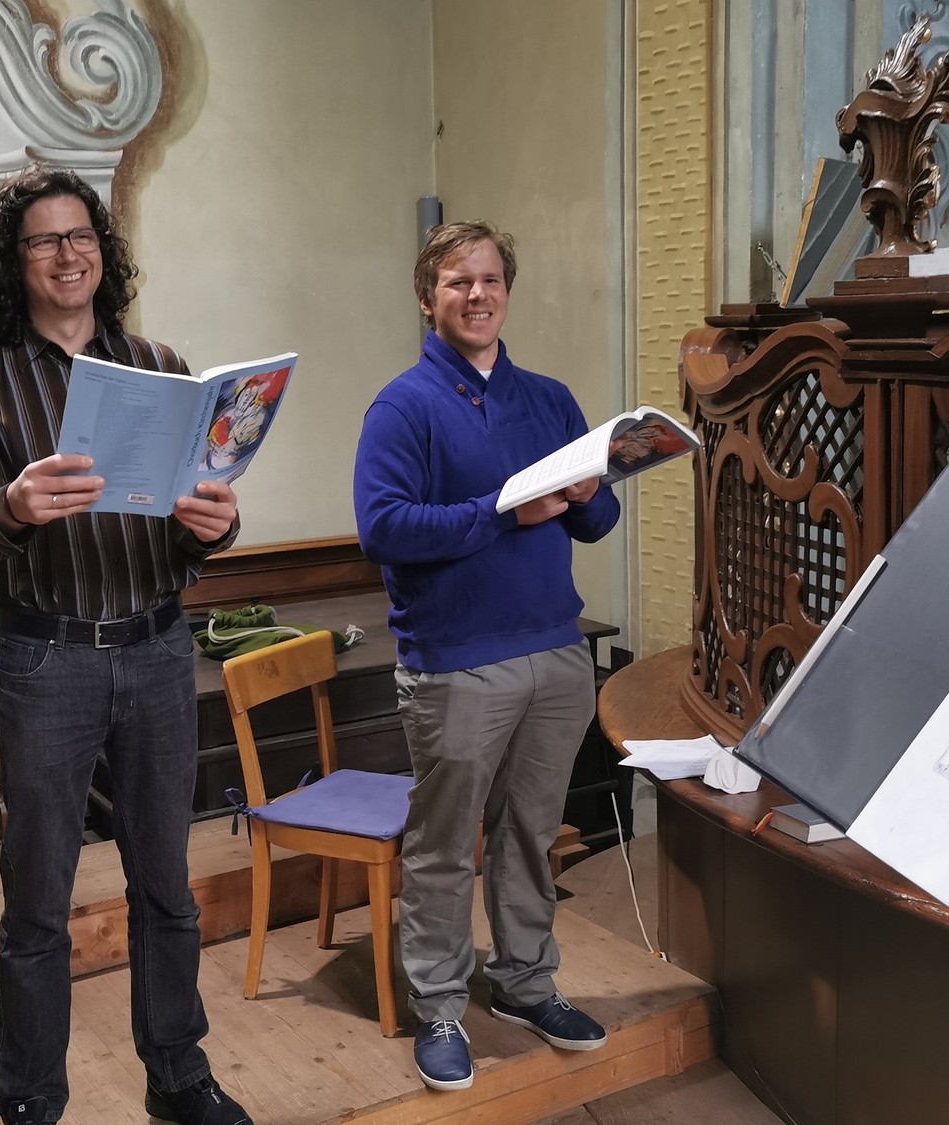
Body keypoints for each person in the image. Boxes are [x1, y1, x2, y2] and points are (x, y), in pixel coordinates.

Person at [0, 166, 252, 1125]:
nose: (68, 255)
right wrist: (11, 505)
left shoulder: (161, 366)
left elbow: (192, 514)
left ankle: (177, 1076)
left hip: (156, 647)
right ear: (13, 262)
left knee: (167, 887)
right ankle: (31, 1100)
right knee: (38, 903)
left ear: (102, 252)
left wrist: (216, 523)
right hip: (46, 660)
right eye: (44, 240)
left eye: (81, 237)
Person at [352, 221, 621, 1090]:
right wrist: (502, 511)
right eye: (458, 281)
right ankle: (438, 1005)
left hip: (556, 652)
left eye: (492, 279)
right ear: (426, 298)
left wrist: (589, 493)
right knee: (443, 848)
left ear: (508, 291)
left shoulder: (548, 398)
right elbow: (383, 528)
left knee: (531, 834)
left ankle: (524, 982)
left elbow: (596, 520)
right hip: (456, 662)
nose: (478, 294)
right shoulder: (402, 406)